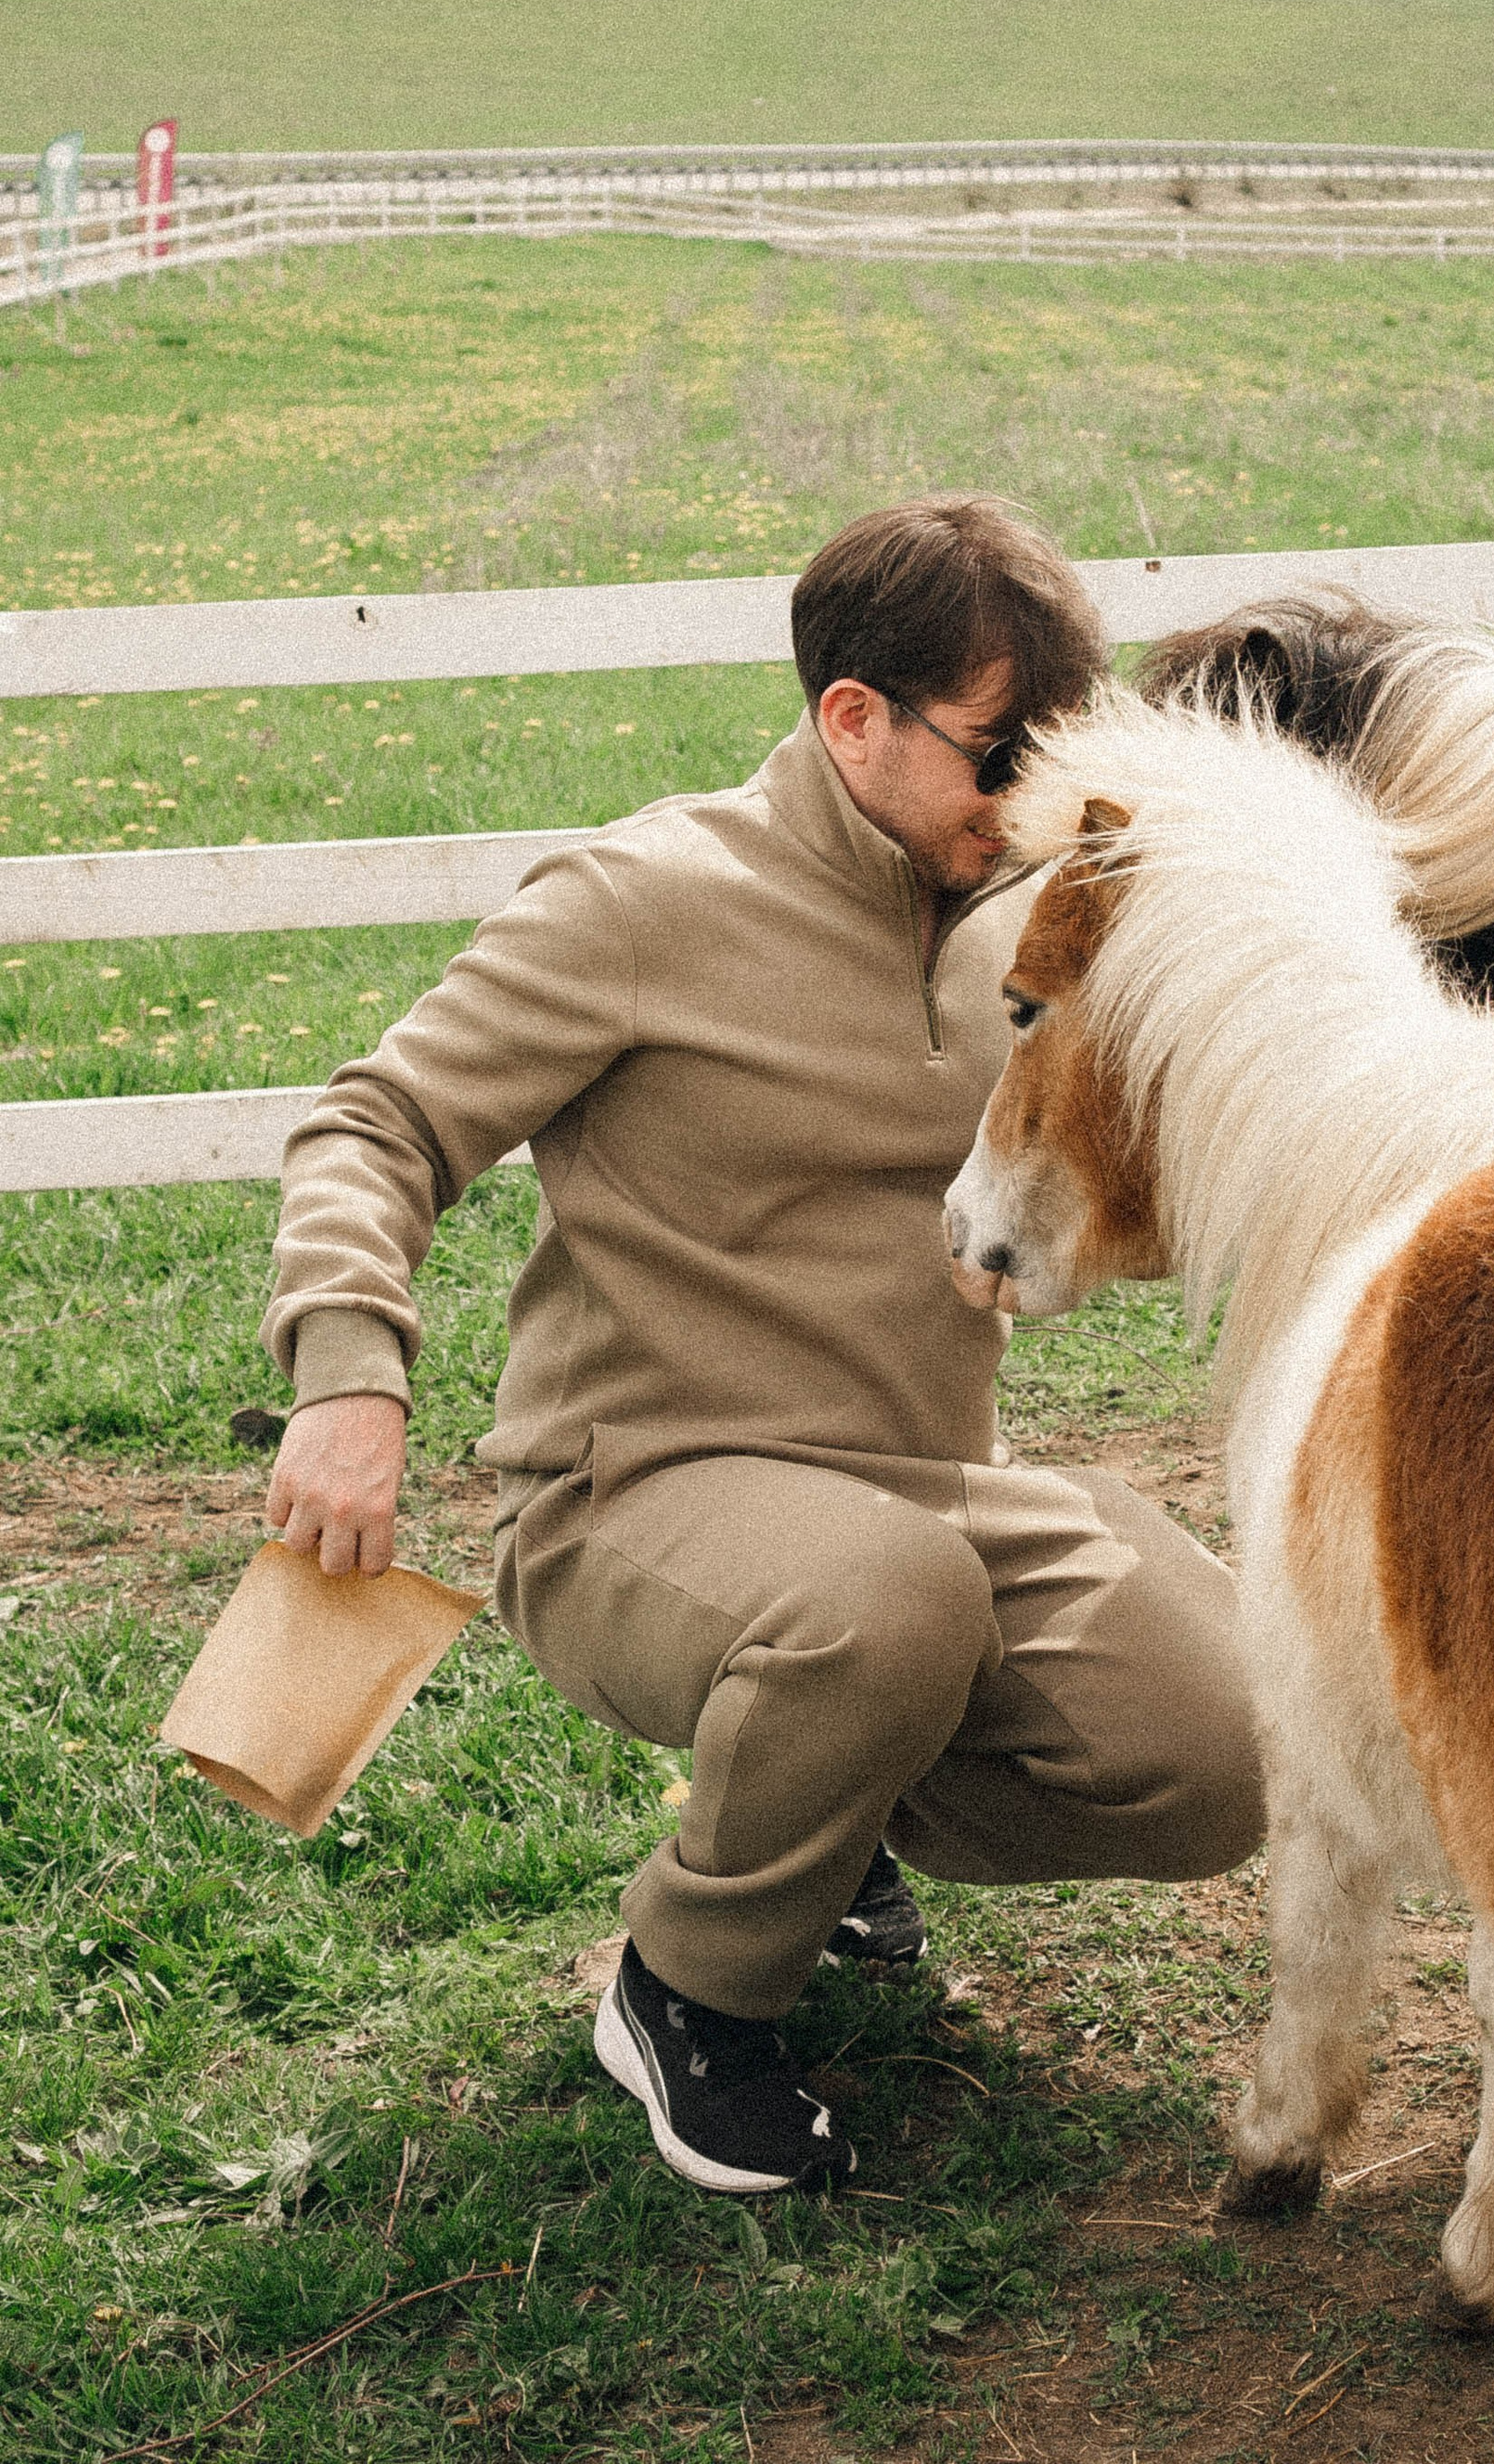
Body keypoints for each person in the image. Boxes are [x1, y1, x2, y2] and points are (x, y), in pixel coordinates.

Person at [262, 494, 1265, 2197]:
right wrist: (351, 1372)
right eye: (1001, 749)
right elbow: (377, 1126)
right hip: (631, 1495)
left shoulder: (1032, 919)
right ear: (853, 719)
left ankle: (820, 1813)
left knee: (1235, 1741)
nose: (1036, 792)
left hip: (922, 1491)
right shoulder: (640, 899)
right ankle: (689, 1992)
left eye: (1063, 747)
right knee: (885, 1605)